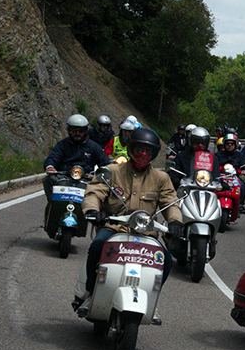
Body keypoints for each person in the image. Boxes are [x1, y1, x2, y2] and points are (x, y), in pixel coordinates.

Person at [78, 128, 183, 324]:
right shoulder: (111, 171)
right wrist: (93, 211)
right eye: (139, 150)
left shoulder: (161, 178)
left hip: (146, 233)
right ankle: (91, 292)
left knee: (166, 260)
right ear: (131, 149)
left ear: (153, 155)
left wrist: (175, 221)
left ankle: (152, 299)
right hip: (113, 228)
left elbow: (171, 202)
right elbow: (94, 192)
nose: (143, 155)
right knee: (97, 246)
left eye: (148, 152)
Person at [43, 114, 109, 202]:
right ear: (69, 131)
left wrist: (102, 174)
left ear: (85, 132)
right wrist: (50, 166)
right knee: (48, 180)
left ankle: (93, 210)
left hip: (87, 179)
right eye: (74, 131)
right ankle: (54, 205)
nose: (77, 134)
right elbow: (53, 157)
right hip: (65, 177)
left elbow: (105, 162)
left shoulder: (93, 146)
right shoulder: (62, 145)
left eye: (80, 131)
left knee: (104, 186)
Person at [215, 133, 245, 214]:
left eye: (232, 143)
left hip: (234, 177)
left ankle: (240, 204)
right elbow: (213, 165)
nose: (230, 145)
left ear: (235, 144)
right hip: (220, 177)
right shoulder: (218, 155)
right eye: (227, 143)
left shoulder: (240, 155)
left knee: (243, 185)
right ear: (224, 144)